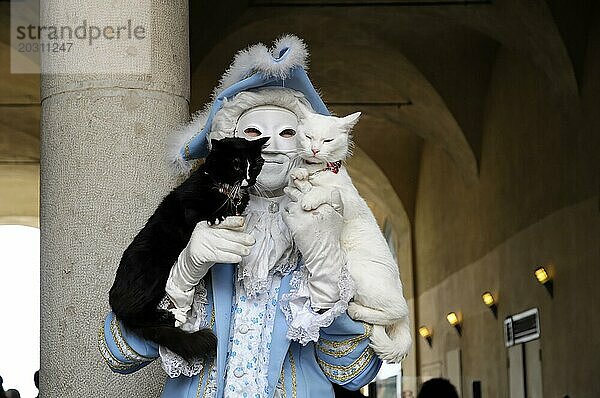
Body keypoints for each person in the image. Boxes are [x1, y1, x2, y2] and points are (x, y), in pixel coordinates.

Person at [100, 35, 391, 397]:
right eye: (254, 132)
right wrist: (183, 273)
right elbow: (117, 354)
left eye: (288, 132)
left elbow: (356, 373)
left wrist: (326, 266)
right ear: (229, 142)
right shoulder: (194, 218)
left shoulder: (330, 222)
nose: (270, 143)